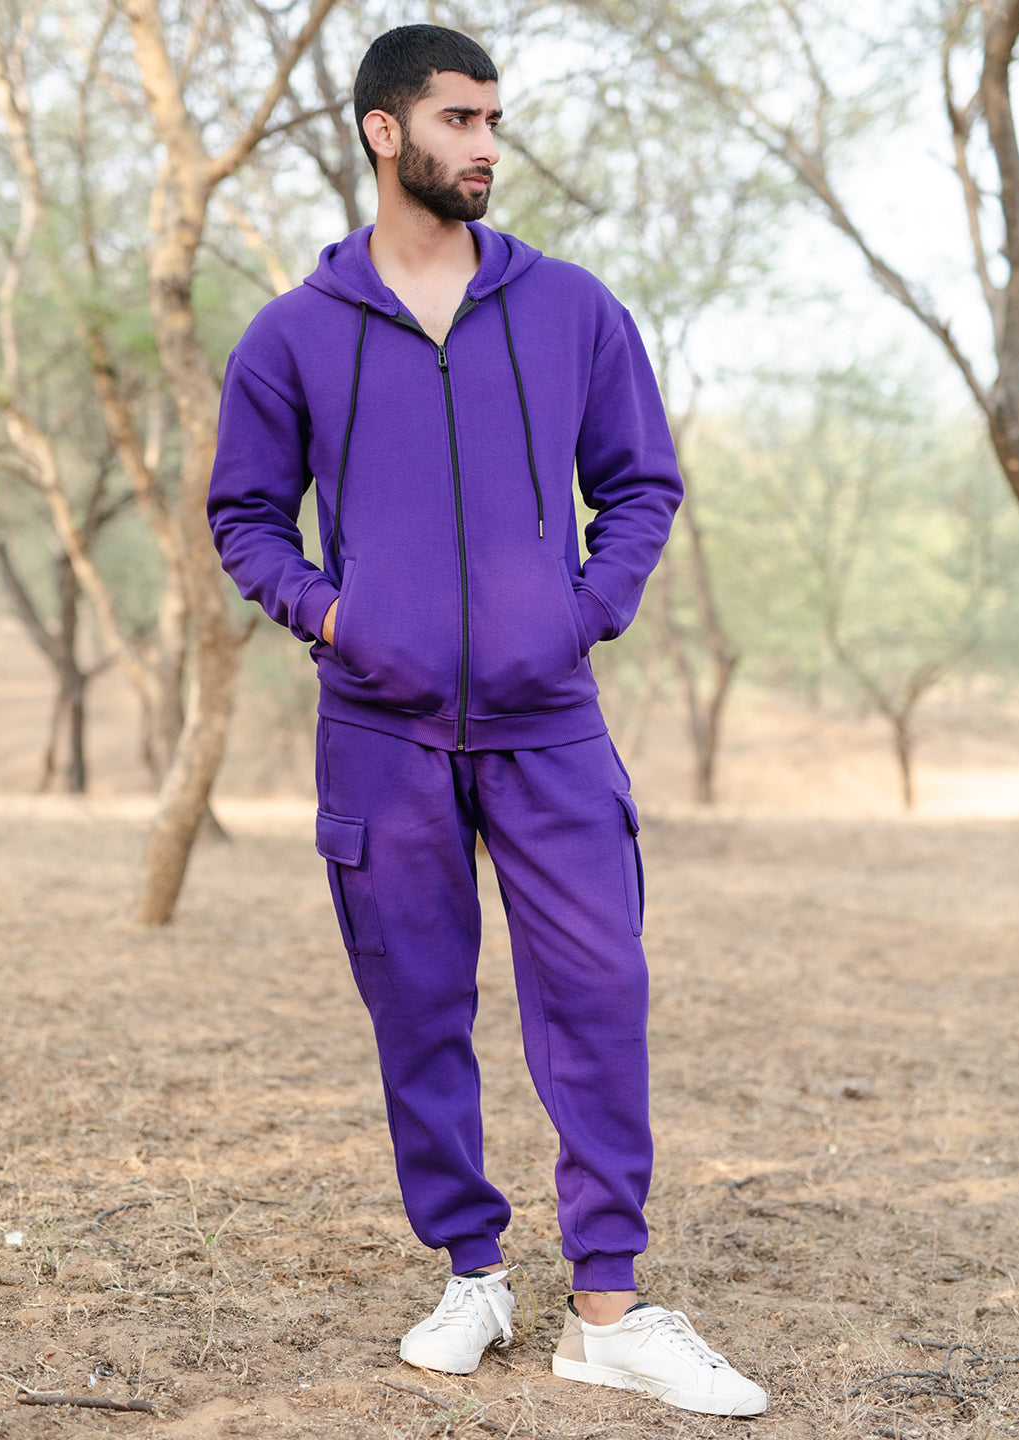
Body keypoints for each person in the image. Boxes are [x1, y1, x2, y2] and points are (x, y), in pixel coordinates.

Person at [208, 23, 766, 1419]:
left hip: (549, 722)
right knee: (417, 1005)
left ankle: (610, 1308)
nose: (486, 146)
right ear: (383, 130)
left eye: (495, 122)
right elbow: (247, 518)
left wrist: (581, 614)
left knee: (600, 993)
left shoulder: (571, 310)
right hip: (380, 733)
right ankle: (471, 1271)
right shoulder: (292, 334)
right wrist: (336, 618)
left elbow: (640, 485)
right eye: (460, 119)